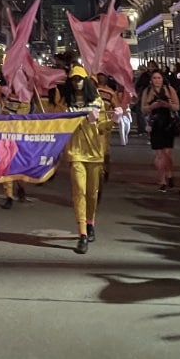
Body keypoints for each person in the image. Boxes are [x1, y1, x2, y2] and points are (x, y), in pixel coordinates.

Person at [62, 66, 106, 254]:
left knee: (92, 193)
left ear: (86, 80)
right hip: (76, 152)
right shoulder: (66, 103)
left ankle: (90, 224)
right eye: (73, 79)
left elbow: (104, 126)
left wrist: (117, 119)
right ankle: (82, 234)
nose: (77, 82)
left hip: (95, 153)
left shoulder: (97, 101)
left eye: (80, 78)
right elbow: (59, 123)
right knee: (79, 191)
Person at [140, 68, 180, 191]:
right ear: (151, 80)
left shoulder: (169, 90)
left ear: (162, 79)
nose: (157, 80)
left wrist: (167, 105)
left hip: (168, 124)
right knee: (159, 154)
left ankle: (169, 173)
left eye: (159, 78)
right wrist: (152, 106)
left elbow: (177, 106)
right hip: (155, 124)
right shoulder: (147, 92)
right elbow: (143, 109)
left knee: (167, 153)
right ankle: (162, 180)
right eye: (154, 78)